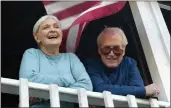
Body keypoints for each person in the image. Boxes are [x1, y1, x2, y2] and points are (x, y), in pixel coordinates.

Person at [19, 15, 93, 108]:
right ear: (37, 37)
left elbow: (86, 86)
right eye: (46, 27)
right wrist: (67, 80)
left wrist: (45, 95)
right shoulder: (32, 54)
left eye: (56, 27)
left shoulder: (71, 58)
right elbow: (29, 79)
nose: (53, 30)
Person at [84, 27, 160, 98]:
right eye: (106, 49)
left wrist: (139, 91)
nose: (111, 53)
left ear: (123, 51)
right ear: (99, 50)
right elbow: (100, 89)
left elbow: (138, 88)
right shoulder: (91, 65)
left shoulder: (129, 64)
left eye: (116, 49)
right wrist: (144, 91)